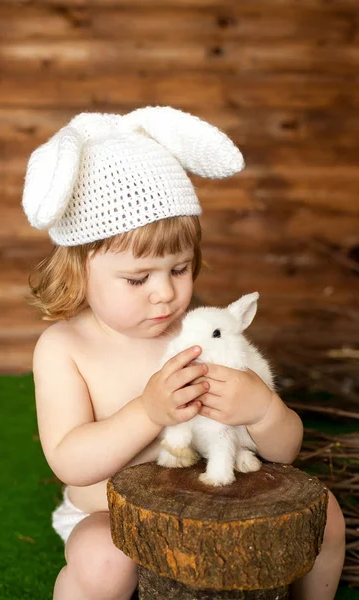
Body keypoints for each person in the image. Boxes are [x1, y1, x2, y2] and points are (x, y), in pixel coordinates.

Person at [22, 106, 345, 600]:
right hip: (112, 513)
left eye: (179, 269)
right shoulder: (66, 348)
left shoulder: (204, 334)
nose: (165, 295)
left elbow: (285, 451)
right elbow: (71, 461)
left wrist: (261, 408)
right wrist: (149, 411)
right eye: (137, 278)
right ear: (76, 270)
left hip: (218, 498)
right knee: (101, 558)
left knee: (325, 514)